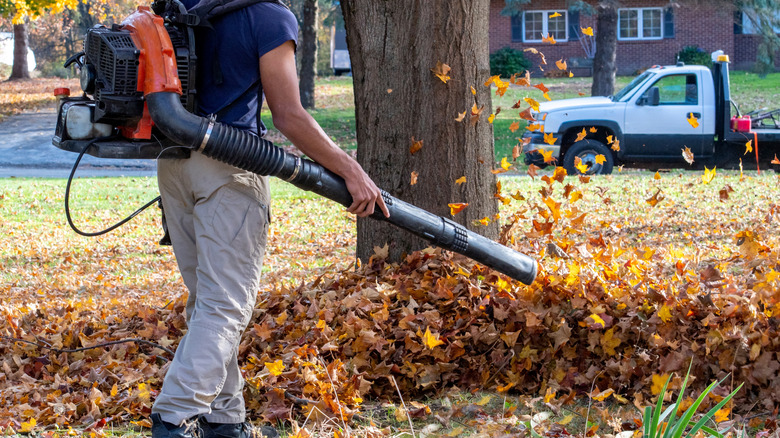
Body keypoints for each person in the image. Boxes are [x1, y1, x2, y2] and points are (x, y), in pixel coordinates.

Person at [150, 1, 389, 437]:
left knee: (208, 301)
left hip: (174, 163)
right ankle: (174, 417)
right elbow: (289, 115)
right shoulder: (268, 16)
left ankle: (226, 421)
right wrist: (351, 169)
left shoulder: (186, 3)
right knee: (225, 307)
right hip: (230, 166)